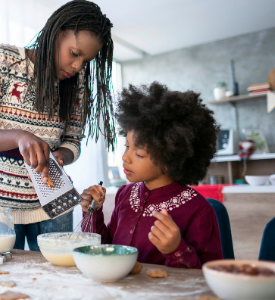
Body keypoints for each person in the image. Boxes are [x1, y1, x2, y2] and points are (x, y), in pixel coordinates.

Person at [0, 0, 116, 251]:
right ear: (55, 34)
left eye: (86, 61)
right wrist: (19, 137)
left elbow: (72, 142)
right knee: (1, 283)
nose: (78, 67)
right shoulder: (2, 59)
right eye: (75, 54)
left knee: (56, 283)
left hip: (55, 202)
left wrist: (59, 157)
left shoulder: (77, 83)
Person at [80, 82, 224, 268]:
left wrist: (176, 249)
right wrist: (92, 213)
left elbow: (209, 276)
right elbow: (107, 249)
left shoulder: (198, 210)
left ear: (169, 159)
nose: (125, 157)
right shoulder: (125, 194)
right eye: (127, 146)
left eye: (139, 153)